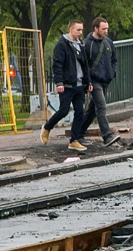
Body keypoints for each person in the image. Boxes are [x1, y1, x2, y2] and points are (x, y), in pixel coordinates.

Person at [40, 19, 91, 151]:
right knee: (63, 110)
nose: (80, 32)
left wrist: (88, 81)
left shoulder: (81, 44)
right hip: (67, 84)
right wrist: (59, 82)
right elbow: (57, 65)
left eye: (82, 30)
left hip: (79, 84)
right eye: (78, 30)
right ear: (71, 29)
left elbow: (85, 64)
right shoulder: (62, 44)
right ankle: (47, 127)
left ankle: (74, 140)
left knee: (80, 111)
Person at [72, 16, 120, 147]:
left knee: (93, 109)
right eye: (103, 28)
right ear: (96, 28)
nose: (106, 31)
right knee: (101, 106)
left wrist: (112, 72)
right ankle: (107, 136)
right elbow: (84, 63)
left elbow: (114, 59)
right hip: (94, 80)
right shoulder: (88, 44)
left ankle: (77, 133)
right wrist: (88, 81)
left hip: (105, 80)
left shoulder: (108, 42)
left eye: (107, 28)